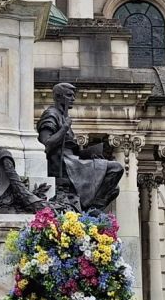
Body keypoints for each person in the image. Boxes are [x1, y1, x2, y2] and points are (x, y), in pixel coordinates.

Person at [36, 82, 122, 212]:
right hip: (64, 164)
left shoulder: (63, 115)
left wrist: (88, 154)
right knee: (115, 168)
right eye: (69, 95)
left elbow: (70, 146)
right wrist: (64, 128)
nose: (73, 99)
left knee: (113, 188)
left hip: (72, 161)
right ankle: (92, 208)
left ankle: (90, 209)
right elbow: (45, 144)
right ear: (59, 97)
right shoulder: (51, 114)